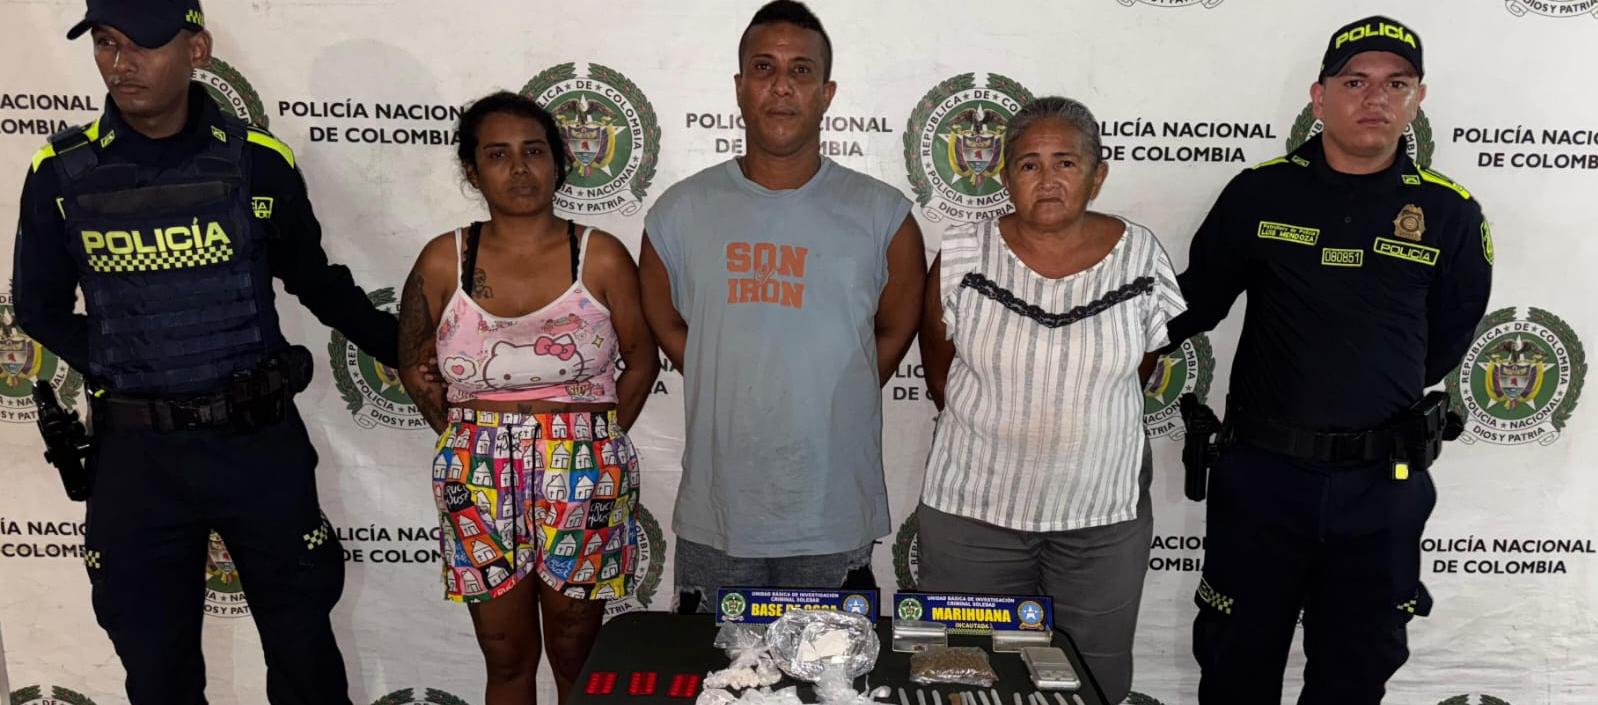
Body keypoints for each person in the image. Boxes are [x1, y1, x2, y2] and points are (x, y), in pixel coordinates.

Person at [11, 1, 399, 702]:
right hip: (137, 462)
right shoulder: (60, 173)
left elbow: (314, 282)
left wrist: (407, 352)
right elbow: (36, 307)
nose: (119, 63)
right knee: (157, 675)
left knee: (305, 657)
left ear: (197, 49)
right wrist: (118, 358)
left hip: (256, 445)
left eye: (141, 45)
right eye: (105, 43)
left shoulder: (257, 162)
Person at [1167, 16, 1492, 705]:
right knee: (1234, 671)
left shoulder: (1450, 212)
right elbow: (1190, 307)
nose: (1374, 98)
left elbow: (1445, 342)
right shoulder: (1260, 193)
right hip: (1261, 481)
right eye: (1355, 82)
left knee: (1354, 675)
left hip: (1382, 485)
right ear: (1319, 97)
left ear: (1417, 98)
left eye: (1395, 83)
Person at [637, 0, 925, 612]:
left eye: (801, 71)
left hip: (830, 506)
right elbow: (663, 320)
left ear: (827, 92)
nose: (782, 86)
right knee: (716, 680)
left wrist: (836, 378)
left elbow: (899, 325)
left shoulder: (883, 214)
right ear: (740, 87)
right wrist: (727, 368)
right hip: (720, 509)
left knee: (829, 678)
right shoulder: (678, 212)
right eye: (764, 68)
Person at [915, 96, 1183, 704]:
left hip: (1099, 519)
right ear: (1005, 177)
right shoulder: (961, 253)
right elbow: (940, 369)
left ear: (1097, 174)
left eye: (1066, 162)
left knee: (1094, 674)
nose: (1048, 179)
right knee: (966, 672)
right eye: (1029, 164)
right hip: (973, 514)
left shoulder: (1140, 254)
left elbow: (1140, 366)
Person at [397, 91, 659, 705]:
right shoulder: (443, 260)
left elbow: (642, 356)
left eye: (534, 151)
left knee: (577, 649)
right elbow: (412, 360)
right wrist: (462, 436)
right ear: (472, 170)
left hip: (584, 467)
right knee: (506, 653)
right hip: (475, 469)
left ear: (558, 161)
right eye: (498, 154)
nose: (519, 169)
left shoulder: (601, 256)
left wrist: (597, 437)